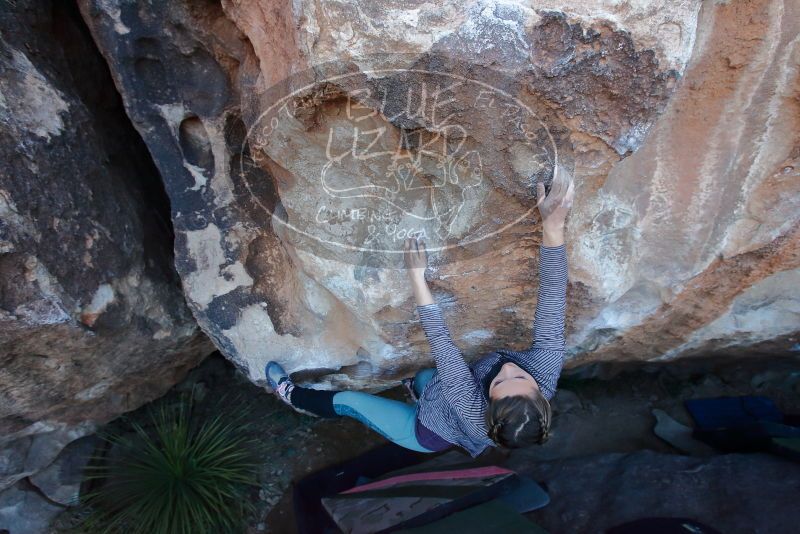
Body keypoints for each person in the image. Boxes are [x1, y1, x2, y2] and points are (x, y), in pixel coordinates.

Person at [265, 165, 575, 457]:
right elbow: (552, 300)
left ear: (489, 402)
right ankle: (417, 388)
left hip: (426, 431)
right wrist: (553, 226)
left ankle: (291, 394)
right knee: (426, 376)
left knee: (350, 402)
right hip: (441, 391)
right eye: (520, 375)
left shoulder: (472, 408)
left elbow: (442, 344)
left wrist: (416, 277)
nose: (507, 369)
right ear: (540, 392)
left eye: (498, 383)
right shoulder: (545, 372)